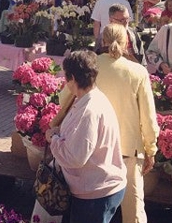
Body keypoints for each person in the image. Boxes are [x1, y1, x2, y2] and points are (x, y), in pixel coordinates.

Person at [45, 50, 126, 223]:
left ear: (73, 78)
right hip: (97, 188)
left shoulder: (89, 110)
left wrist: (53, 139)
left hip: (95, 193)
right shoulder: (89, 98)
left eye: (66, 76)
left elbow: (76, 157)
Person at [96, 24, 159, 223]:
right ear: (127, 44)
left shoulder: (89, 67)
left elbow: (65, 100)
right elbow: (148, 117)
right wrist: (151, 149)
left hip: (93, 149)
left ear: (103, 42)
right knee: (134, 213)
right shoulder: (138, 72)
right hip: (128, 150)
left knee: (93, 209)